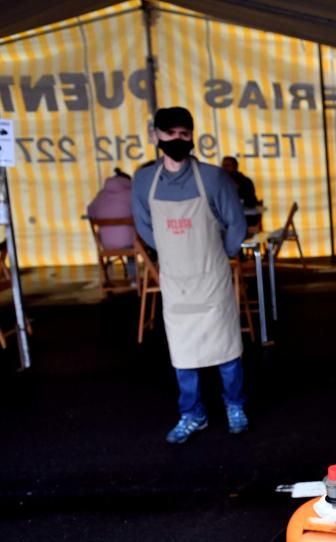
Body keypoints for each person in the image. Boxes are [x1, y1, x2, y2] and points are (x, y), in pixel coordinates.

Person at [132, 107, 250, 444]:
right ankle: (192, 414)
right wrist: (172, 253)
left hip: (211, 279)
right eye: (170, 134)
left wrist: (218, 255)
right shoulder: (144, 181)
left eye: (184, 134)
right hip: (176, 282)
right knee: (183, 357)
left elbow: (236, 226)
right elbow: (144, 225)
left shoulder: (213, 178)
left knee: (227, 352)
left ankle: (235, 406)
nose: (177, 140)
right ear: (156, 136)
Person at [221, 156, 261, 233]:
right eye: (223, 166)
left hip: (245, 219)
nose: (224, 168)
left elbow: (251, 202)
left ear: (235, 167)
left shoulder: (245, 181)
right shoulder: (219, 182)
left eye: (228, 166)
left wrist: (238, 190)